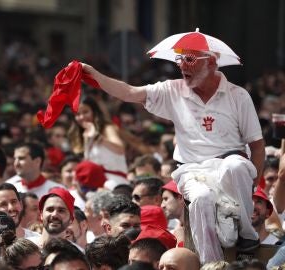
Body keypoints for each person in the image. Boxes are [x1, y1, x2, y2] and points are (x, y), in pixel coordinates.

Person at [82, 44, 265, 263]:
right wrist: (94, 75)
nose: (181, 65)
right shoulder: (172, 90)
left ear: (211, 62)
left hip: (231, 163)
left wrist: (249, 186)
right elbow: (129, 92)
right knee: (201, 198)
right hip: (192, 170)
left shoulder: (238, 95)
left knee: (235, 166)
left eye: (189, 59)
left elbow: (256, 145)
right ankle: (212, 265)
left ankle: (247, 235)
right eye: (179, 60)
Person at [68, 96, 128, 189]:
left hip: (116, 183)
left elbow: (120, 149)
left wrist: (98, 137)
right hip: (96, 186)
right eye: (77, 114)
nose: (82, 117)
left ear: (94, 112)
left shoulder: (107, 128)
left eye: (85, 112)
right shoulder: (84, 135)